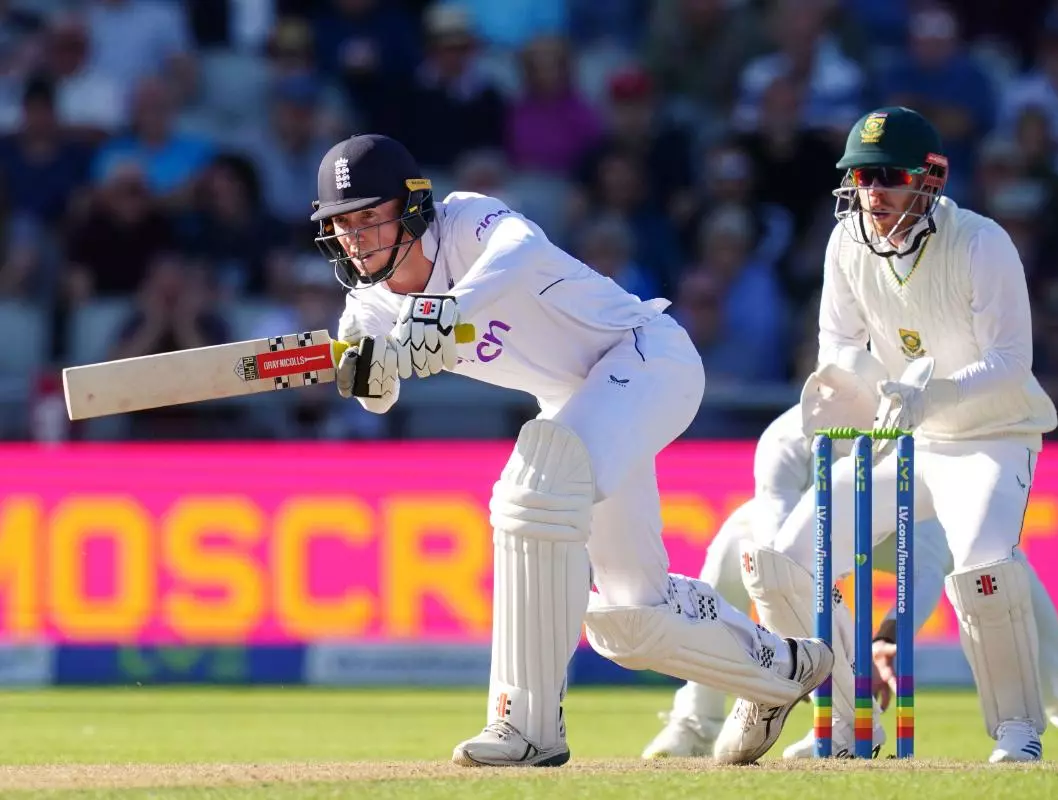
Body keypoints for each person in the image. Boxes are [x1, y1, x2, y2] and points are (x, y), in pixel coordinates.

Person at [309, 133, 834, 768]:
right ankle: (781, 668)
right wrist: (371, 370)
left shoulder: (468, 220)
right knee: (629, 619)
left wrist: (448, 309)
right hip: (577, 402)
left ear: (414, 205)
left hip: (645, 357)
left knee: (534, 489)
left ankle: (525, 727)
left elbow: (523, 250)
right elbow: (377, 397)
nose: (356, 236)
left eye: (370, 216)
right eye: (342, 224)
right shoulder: (365, 305)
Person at [711, 106, 1058, 765]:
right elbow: (839, 343)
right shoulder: (846, 241)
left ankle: (1020, 731)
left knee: (986, 571)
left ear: (930, 180)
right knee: (783, 559)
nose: (872, 191)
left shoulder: (981, 242)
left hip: (991, 435)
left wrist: (935, 395)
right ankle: (848, 725)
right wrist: (856, 386)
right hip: (903, 437)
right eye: (860, 176)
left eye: (887, 175)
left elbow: (1012, 360)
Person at [641, 353, 1058, 762]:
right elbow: (784, 568)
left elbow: (925, 561)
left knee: (1004, 568)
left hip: (896, 523)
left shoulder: (909, 440)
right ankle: (697, 722)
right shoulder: (785, 442)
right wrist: (837, 665)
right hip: (814, 525)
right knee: (733, 548)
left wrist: (889, 637)